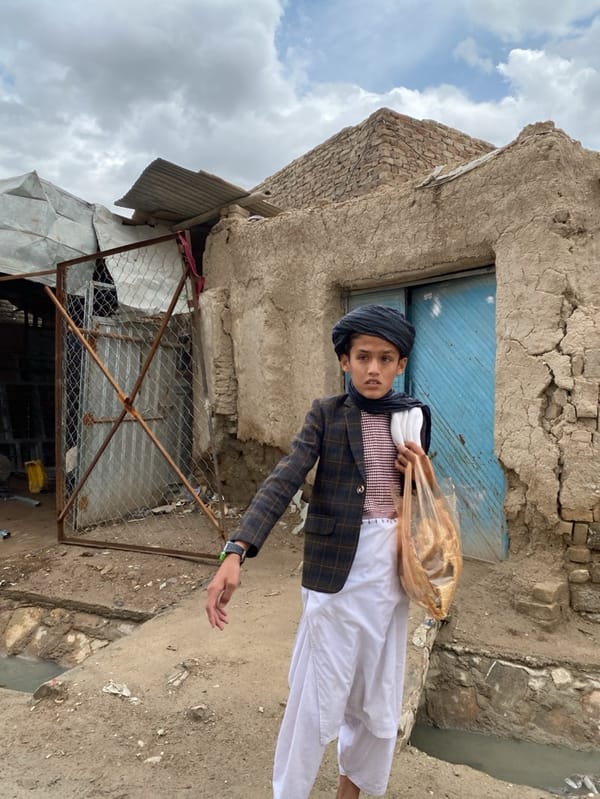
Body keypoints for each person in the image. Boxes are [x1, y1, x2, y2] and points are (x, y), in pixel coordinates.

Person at [205, 304, 433, 799]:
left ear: (401, 365)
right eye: (363, 357)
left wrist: (421, 471)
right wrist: (236, 550)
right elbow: (285, 476)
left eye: (386, 358)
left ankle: (351, 792)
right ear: (345, 362)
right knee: (316, 693)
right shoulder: (326, 414)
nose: (374, 369)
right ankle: (291, 791)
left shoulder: (413, 415)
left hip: (390, 574)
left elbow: (418, 496)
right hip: (334, 574)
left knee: (378, 692)